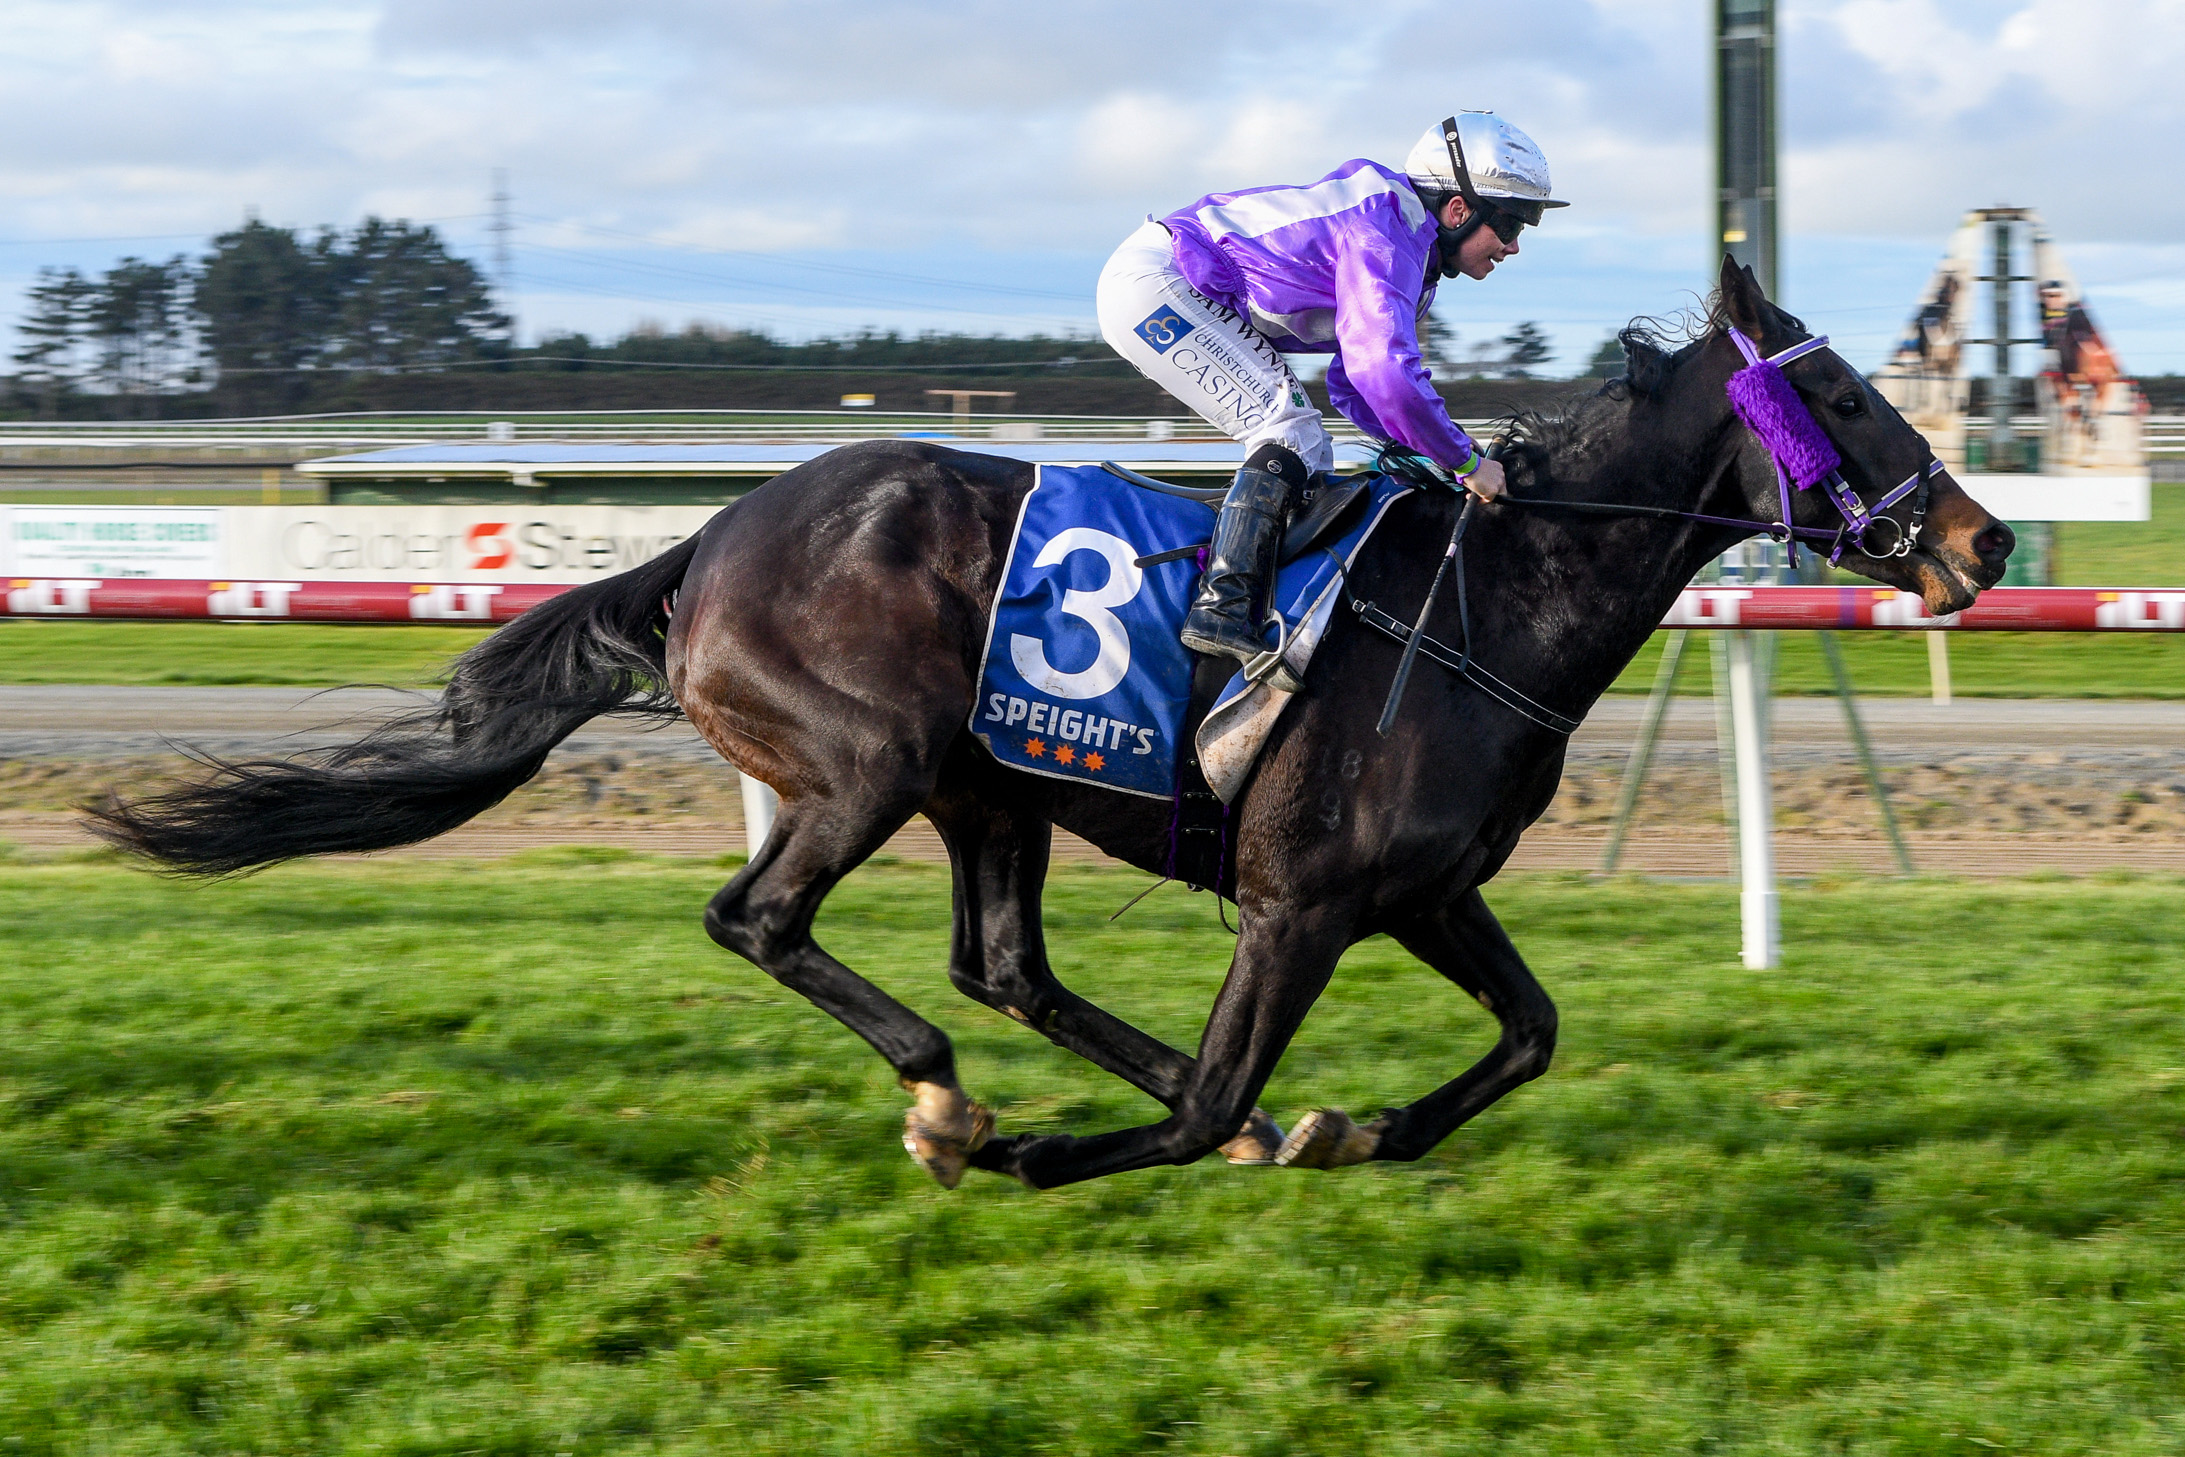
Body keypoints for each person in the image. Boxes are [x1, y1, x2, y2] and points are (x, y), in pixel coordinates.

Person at [1096, 111, 1566, 690]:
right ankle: (1220, 610)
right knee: (1288, 430)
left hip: (1175, 286)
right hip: (1160, 281)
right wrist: (1465, 460)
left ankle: (1266, 611)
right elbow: (1384, 373)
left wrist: (1422, 453)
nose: (1515, 246)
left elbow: (1354, 384)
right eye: (1512, 224)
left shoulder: (1414, 259)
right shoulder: (1384, 229)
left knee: (1310, 457)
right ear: (1460, 209)